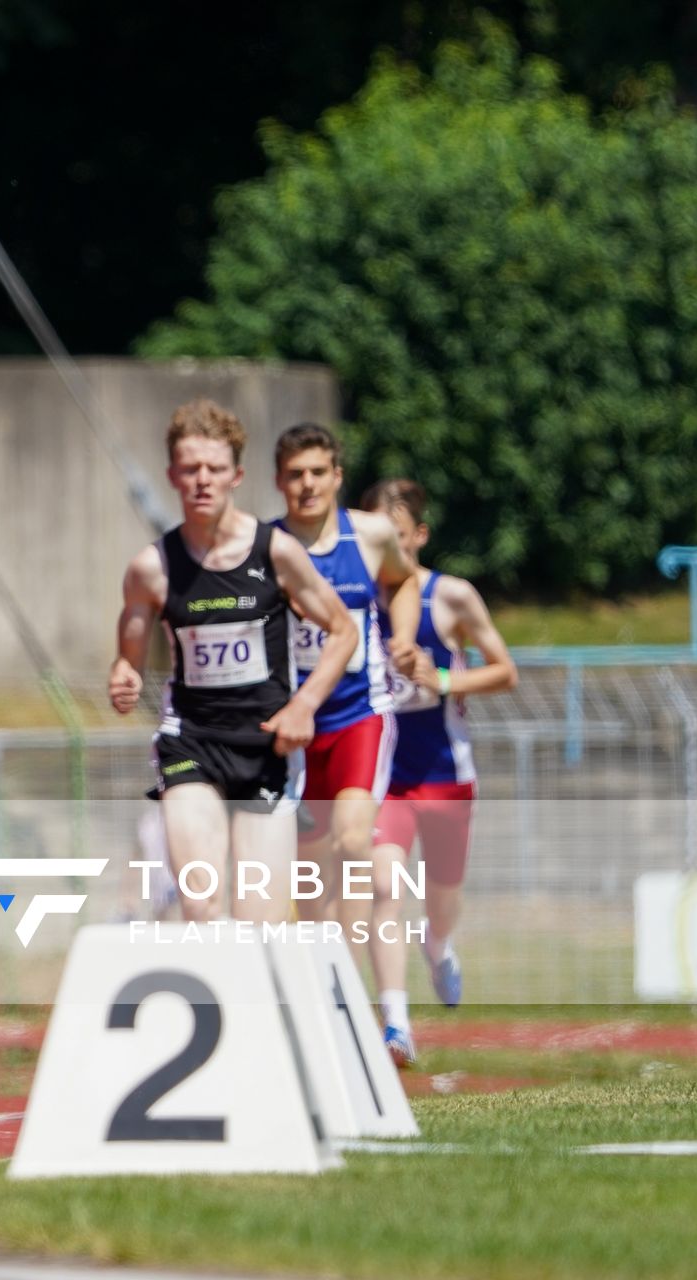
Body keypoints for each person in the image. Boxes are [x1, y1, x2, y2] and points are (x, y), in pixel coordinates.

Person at [110, 400, 359, 926]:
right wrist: (124, 675)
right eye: (191, 468)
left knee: (259, 919)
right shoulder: (151, 568)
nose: (203, 480)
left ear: (237, 476)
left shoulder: (277, 552)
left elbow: (344, 630)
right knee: (201, 904)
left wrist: (304, 706)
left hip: (266, 745)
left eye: (215, 469)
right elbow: (127, 658)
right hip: (191, 742)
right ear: (172, 474)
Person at [271, 424, 422, 1060]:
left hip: (360, 712)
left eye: (317, 472)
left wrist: (403, 639)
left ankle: (390, 1021)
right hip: (295, 725)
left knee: (355, 841)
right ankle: (338, 1003)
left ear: (337, 475)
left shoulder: (372, 535)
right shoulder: (268, 547)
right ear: (281, 482)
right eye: (294, 474)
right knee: (311, 884)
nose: (306, 484)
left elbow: (405, 582)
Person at [362, 479, 517, 1045]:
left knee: (443, 900)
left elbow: (505, 670)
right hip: (384, 778)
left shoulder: (450, 597)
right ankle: (396, 1021)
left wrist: (445, 678)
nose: (388, 555)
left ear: (419, 537)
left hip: (446, 775)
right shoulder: (354, 598)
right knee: (384, 887)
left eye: (398, 541)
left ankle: (438, 944)